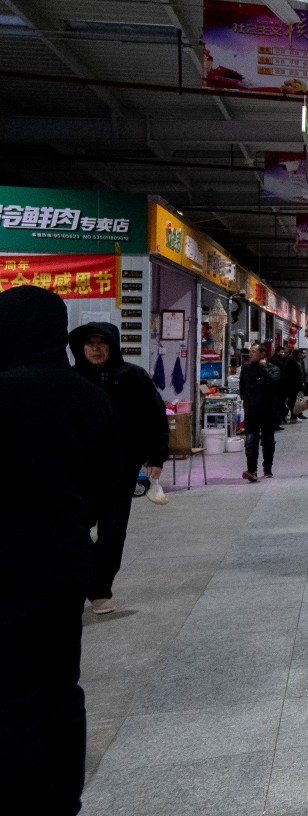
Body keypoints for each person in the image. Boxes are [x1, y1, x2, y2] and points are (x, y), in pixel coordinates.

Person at [1, 287, 121, 815]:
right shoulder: (91, 397)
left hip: (6, 563)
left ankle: (23, 797)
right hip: (67, 556)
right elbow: (108, 483)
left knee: (12, 688)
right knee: (61, 684)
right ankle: (64, 798)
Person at [67, 322, 169, 615]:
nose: (96, 348)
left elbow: (155, 416)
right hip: (78, 473)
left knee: (113, 534)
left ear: (112, 345)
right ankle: (83, 578)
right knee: (74, 531)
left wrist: (156, 457)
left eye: (102, 343)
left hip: (119, 472)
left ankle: (100, 590)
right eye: (90, 343)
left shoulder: (132, 376)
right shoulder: (71, 380)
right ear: (80, 347)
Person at [239, 343, 281, 481]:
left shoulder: (273, 368)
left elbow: (274, 383)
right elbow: (242, 389)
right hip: (251, 411)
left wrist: (262, 368)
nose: (251, 354)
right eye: (250, 352)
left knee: (268, 440)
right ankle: (252, 470)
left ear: (263, 354)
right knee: (251, 440)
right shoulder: (246, 368)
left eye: (254, 352)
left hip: (268, 411)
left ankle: (267, 468)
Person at [276, 346, 306, 422]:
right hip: (292, 385)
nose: (284, 354)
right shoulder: (292, 361)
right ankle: (293, 416)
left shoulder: (293, 361)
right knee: (292, 401)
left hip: (291, 385)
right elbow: (296, 374)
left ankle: (293, 416)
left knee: (293, 401)